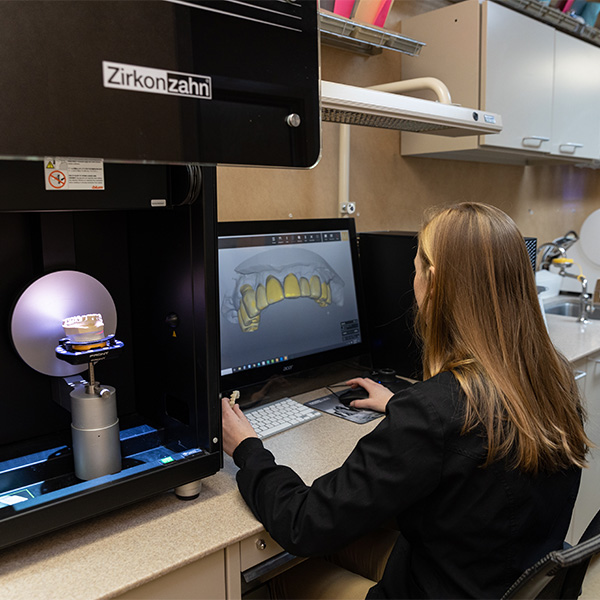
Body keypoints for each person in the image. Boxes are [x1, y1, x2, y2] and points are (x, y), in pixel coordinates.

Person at [221, 202, 590, 599]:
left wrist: (247, 448)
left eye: (415, 268)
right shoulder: (553, 377)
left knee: (274, 578)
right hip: (495, 578)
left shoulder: (434, 413)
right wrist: (405, 404)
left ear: (433, 281)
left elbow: (304, 524)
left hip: (444, 586)